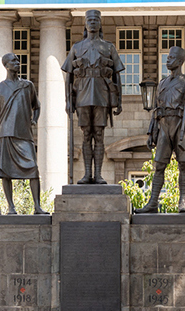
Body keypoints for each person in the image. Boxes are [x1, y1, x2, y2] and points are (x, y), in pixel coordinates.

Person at [134, 46, 185, 214]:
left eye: (171, 57)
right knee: (159, 165)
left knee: (183, 165)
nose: (168, 60)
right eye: (167, 57)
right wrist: (151, 133)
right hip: (163, 126)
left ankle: (182, 202)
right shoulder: (162, 83)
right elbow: (156, 110)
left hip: (180, 125)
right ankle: (153, 202)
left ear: (180, 61)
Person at [0, 53, 47, 215]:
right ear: (6, 66)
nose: (17, 63)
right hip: (6, 133)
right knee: (6, 172)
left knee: (33, 170)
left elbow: (37, 106)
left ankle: (37, 206)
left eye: (17, 60)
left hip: (24, 134)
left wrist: (34, 120)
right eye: (13, 61)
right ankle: (11, 207)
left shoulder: (27, 85)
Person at [61, 9, 124, 184]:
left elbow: (117, 75)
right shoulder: (77, 47)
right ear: (85, 24)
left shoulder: (109, 47)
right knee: (86, 134)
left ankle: (99, 175)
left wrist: (119, 100)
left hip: (102, 95)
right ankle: (87, 174)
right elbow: (69, 76)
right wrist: (68, 100)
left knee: (99, 134)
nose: (93, 22)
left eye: (96, 19)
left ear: (100, 23)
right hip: (81, 95)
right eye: (90, 19)